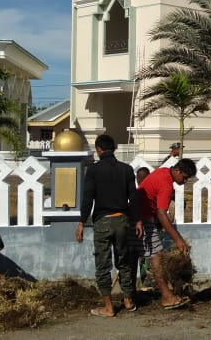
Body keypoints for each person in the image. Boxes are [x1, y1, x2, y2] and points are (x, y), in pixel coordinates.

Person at [75, 134, 140, 317]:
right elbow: (133, 197)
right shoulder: (126, 170)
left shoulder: (94, 171)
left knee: (103, 264)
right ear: (115, 148)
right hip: (122, 220)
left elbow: (88, 198)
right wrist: (138, 220)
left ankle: (109, 307)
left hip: (102, 221)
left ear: (98, 149)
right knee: (124, 261)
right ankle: (128, 300)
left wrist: (81, 222)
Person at [135, 158, 196, 310]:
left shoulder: (162, 172)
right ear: (177, 171)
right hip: (141, 219)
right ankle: (166, 296)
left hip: (139, 216)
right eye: (185, 177)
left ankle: (131, 297)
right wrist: (178, 240)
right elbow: (162, 214)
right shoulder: (166, 183)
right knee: (156, 256)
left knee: (138, 256)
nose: (185, 181)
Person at [134, 166, 153, 291]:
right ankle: (144, 281)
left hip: (145, 228)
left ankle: (144, 281)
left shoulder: (137, 193)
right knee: (147, 256)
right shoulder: (141, 193)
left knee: (145, 256)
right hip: (144, 228)